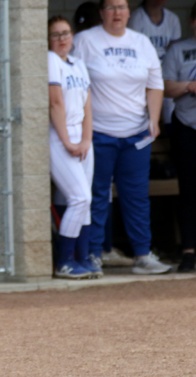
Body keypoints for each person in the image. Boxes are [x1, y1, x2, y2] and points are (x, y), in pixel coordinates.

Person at [72, 0, 172, 275]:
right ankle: (93, 254)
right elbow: (75, 82)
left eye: (122, 7)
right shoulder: (85, 41)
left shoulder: (142, 43)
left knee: (137, 196)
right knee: (97, 195)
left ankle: (142, 254)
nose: (117, 13)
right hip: (99, 132)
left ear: (130, 12)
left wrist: (153, 119)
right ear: (102, 12)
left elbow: (155, 84)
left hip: (136, 135)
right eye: (111, 7)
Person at [48, 16, 99, 279]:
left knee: (85, 202)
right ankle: (65, 261)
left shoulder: (78, 63)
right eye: (55, 34)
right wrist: (68, 141)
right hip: (60, 137)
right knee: (80, 198)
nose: (62, 38)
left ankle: (83, 257)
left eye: (66, 33)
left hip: (83, 138)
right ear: (48, 39)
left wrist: (86, 140)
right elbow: (55, 102)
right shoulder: (50, 60)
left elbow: (88, 106)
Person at [162, 2, 196, 272]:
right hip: (186, 126)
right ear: (192, 21)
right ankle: (189, 251)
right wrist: (189, 86)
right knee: (189, 191)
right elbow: (164, 87)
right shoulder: (178, 49)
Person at [129, 0, 181, 125]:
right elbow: (134, 51)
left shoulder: (172, 18)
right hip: (144, 67)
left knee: (169, 97)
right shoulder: (137, 17)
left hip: (166, 66)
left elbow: (174, 50)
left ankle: (169, 131)